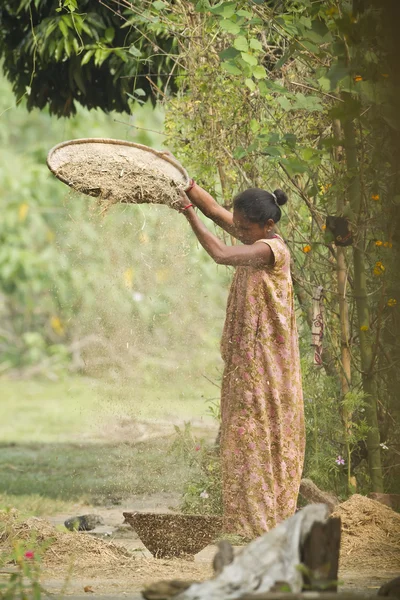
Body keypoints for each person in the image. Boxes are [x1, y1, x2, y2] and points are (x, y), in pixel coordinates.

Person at [177, 180, 305, 540]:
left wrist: (187, 213)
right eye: (239, 226)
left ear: (267, 225)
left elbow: (220, 253)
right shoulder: (253, 234)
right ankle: (247, 526)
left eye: (245, 228)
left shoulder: (268, 250)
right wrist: (186, 185)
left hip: (266, 367)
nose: (239, 232)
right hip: (249, 364)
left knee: (258, 439)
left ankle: (263, 526)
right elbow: (216, 212)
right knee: (243, 441)